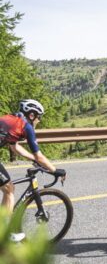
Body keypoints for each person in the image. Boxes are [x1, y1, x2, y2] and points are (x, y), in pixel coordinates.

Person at [0, 99, 66, 242]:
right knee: (9, 189)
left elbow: (14, 147)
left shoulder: (14, 120)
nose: (39, 121)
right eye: (38, 117)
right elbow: (39, 155)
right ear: (31, 115)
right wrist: (54, 170)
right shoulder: (26, 126)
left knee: (7, 188)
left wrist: (33, 159)